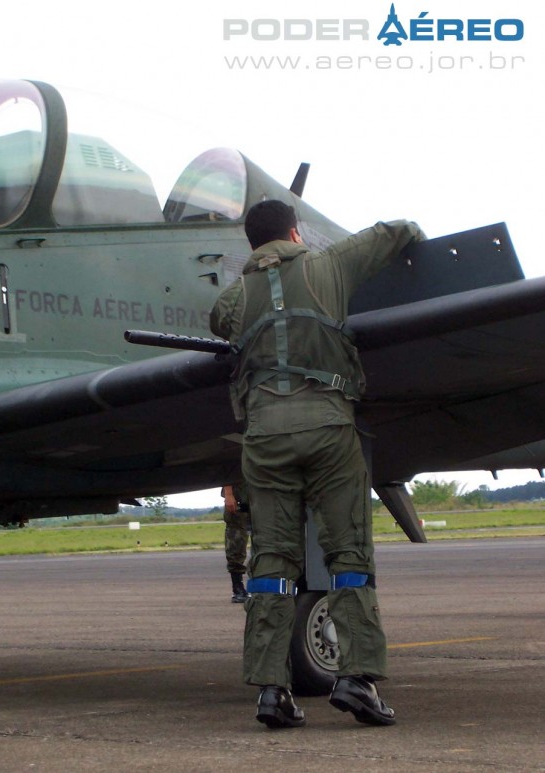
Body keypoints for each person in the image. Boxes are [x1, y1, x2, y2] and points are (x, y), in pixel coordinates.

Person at [210, 199, 426, 729]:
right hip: (329, 429)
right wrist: (413, 231)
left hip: (264, 438)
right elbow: (391, 232)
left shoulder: (237, 295)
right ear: (295, 232)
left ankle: (271, 689)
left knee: (271, 563)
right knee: (348, 554)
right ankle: (356, 679)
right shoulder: (328, 264)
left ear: (251, 243)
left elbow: (219, 321)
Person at [221, 480, 251, 603]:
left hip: (258, 495)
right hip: (238, 498)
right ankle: (238, 587)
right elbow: (227, 467)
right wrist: (228, 493)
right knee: (236, 542)